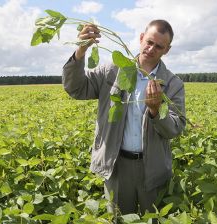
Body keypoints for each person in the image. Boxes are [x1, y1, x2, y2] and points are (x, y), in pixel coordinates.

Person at [62, 20, 186, 215]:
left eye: (159, 46)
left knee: (152, 218)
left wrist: (156, 112)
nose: (151, 49)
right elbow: (76, 88)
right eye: (149, 42)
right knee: (118, 218)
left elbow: (176, 128)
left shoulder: (172, 83)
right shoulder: (112, 71)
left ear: (167, 50)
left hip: (152, 168)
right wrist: (81, 52)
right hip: (116, 165)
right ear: (141, 38)